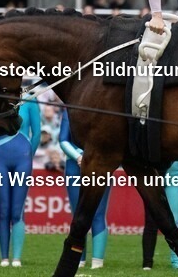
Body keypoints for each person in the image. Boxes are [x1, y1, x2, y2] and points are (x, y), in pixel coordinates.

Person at [0, 92, 41, 267]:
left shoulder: (30, 99)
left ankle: (17, 258)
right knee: (4, 210)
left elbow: (37, 133)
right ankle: (4, 257)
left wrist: (28, 155)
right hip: (0, 159)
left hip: (23, 160)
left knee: (16, 211)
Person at [59, 107, 111, 269]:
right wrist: (79, 156)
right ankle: (79, 259)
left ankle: (97, 261)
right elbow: (63, 140)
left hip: (101, 165)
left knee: (98, 214)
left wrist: (92, 157)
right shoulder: (69, 111)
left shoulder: (106, 112)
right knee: (78, 215)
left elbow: (110, 141)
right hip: (75, 165)